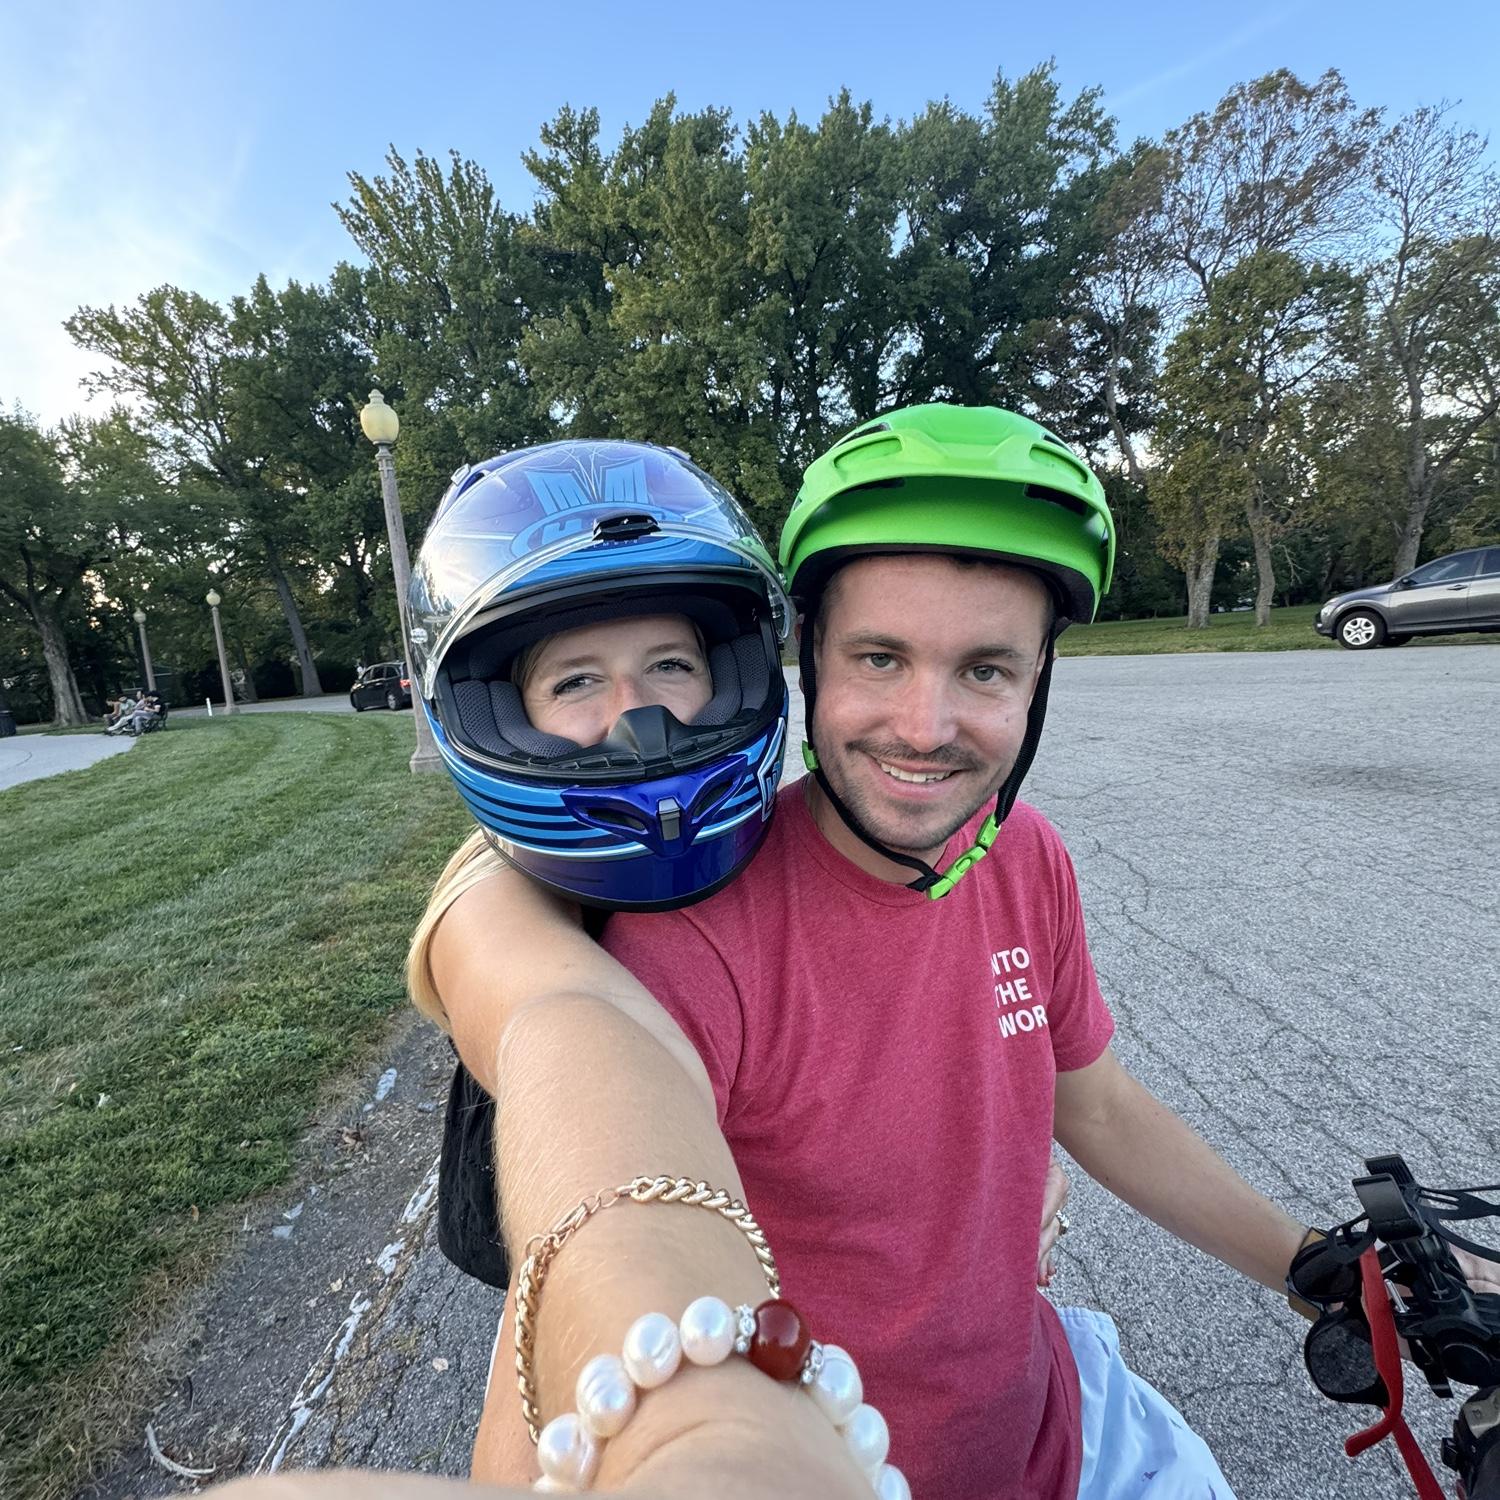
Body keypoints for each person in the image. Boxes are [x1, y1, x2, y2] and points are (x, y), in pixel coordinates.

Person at [411, 412, 1495, 1499]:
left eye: (985, 670)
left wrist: (1323, 1270)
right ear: (805, 660)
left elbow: (1098, 1105)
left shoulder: (1024, 857)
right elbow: (584, 1260)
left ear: (1038, 683)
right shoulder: (684, 942)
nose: (926, 727)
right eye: (880, 658)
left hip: (1065, 1424)